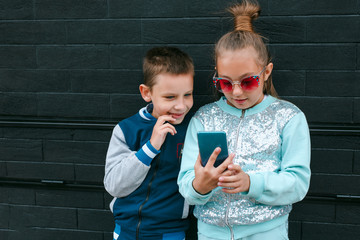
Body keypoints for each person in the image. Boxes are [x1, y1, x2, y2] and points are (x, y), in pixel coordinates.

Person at [177, 0, 311, 239]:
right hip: (210, 233)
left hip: (267, 232)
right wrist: (201, 185)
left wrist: (251, 183)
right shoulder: (204, 118)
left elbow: (298, 183)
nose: (237, 92)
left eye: (248, 81)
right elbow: (186, 184)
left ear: (266, 72)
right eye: (225, 83)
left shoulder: (289, 117)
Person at [104, 46, 195, 240]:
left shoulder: (192, 131)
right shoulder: (127, 130)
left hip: (169, 232)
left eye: (187, 94)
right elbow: (114, 186)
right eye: (170, 97)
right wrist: (150, 147)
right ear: (147, 93)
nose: (181, 105)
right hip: (125, 231)